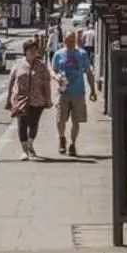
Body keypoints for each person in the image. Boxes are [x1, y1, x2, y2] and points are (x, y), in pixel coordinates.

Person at [51, 27, 96, 157]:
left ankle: (72, 144)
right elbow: (52, 70)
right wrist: (56, 77)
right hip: (63, 92)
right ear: (64, 40)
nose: (70, 42)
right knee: (60, 120)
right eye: (68, 39)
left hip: (78, 93)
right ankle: (62, 139)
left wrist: (93, 90)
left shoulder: (82, 54)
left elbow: (88, 72)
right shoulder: (58, 54)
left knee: (76, 121)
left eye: (73, 39)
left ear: (75, 40)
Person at [5, 37, 52, 160]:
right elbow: (11, 82)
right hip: (20, 99)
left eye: (35, 50)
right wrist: (8, 99)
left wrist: (49, 99)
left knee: (33, 125)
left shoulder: (41, 66)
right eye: (30, 50)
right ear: (25, 51)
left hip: (37, 100)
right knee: (22, 125)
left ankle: (30, 144)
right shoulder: (18, 64)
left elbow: (46, 83)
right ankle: (24, 151)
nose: (33, 52)